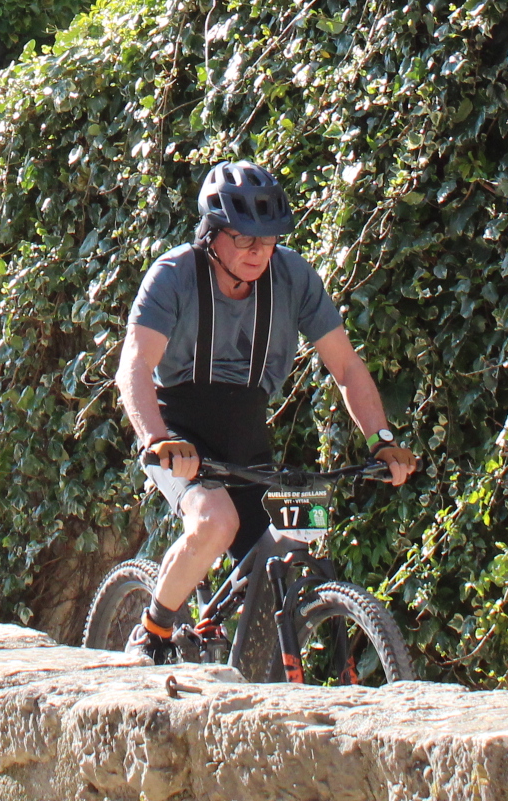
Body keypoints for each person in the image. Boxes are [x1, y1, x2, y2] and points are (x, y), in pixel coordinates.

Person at [113, 162, 416, 665]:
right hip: (179, 434)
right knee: (215, 522)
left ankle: (253, 656)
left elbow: (345, 366)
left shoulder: (293, 277)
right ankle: (153, 630)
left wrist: (381, 440)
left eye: (269, 239)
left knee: (304, 528)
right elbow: (134, 366)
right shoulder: (174, 275)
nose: (258, 251)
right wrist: (157, 439)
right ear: (211, 234)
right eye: (244, 239)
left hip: (248, 437)